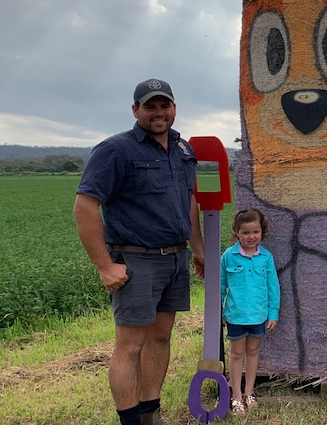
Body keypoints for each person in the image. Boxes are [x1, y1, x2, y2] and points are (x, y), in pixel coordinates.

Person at [73, 78, 205, 425]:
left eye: (165, 105)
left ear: (174, 108)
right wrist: (104, 266)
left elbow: (188, 201)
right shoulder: (116, 150)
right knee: (130, 346)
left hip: (175, 258)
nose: (159, 113)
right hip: (136, 260)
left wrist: (199, 249)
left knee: (160, 338)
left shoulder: (183, 150)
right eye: (150, 106)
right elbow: (85, 206)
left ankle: (151, 415)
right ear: (136, 110)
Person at [220, 208, 280, 416]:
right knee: (236, 353)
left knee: (253, 352)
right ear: (237, 232)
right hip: (236, 315)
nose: (251, 236)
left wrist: (273, 313)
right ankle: (236, 396)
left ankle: (249, 392)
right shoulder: (228, 256)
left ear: (262, 232)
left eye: (255, 232)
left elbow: (273, 287)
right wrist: (219, 311)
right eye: (246, 232)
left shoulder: (266, 258)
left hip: (258, 316)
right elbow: (220, 286)